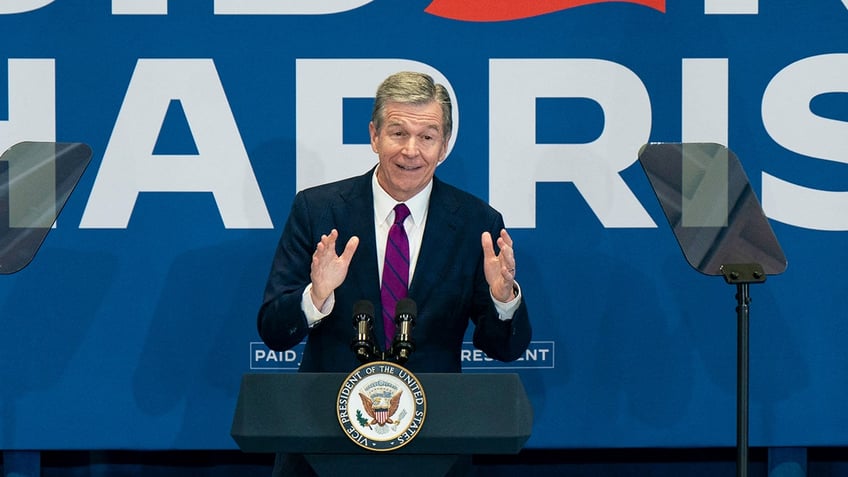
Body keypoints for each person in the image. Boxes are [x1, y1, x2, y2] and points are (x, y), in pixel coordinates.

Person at [257, 71, 532, 476]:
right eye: (398, 132)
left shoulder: (477, 223)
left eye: (427, 137)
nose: (410, 150)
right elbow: (274, 331)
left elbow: (504, 348)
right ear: (374, 135)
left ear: (443, 147)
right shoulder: (317, 211)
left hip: (435, 442)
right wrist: (315, 298)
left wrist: (502, 298)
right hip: (322, 442)